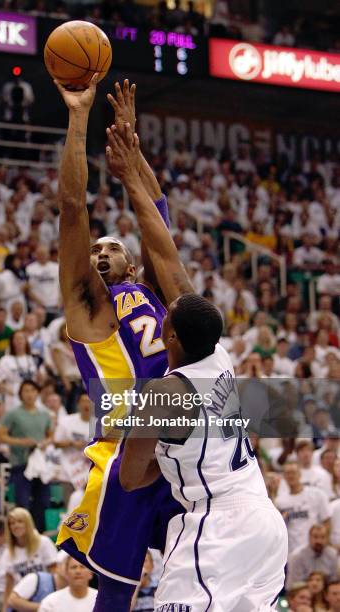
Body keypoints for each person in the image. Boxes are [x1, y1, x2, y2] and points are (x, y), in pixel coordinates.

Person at [105, 124, 287, 610]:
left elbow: (129, 477)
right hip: (266, 524)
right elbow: (164, 252)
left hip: (217, 526)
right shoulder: (220, 356)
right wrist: (136, 173)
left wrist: (155, 459)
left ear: (170, 335)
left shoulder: (163, 395)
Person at [54, 77, 183, 611]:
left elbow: (155, 207)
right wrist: (79, 117)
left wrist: (131, 145)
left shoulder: (152, 290)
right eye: (96, 250)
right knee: (117, 584)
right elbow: (71, 209)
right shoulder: (88, 310)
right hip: (126, 450)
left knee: (198, 569)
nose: (101, 253)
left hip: (182, 444)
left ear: (131, 264)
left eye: (114, 248)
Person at [0, 380, 53, 531]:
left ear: (37, 393)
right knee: (23, 502)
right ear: (21, 394)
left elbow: (50, 435)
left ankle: (38, 534)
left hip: (39, 465)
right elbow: (0, 436)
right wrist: (21, 442)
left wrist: (45, 443)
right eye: (26, 391)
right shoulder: (13, 414)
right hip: (21, 463)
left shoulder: (45, 414)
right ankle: (22, 534)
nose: (29, 394)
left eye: (32, 390)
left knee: (42, 501)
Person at [0, 507, 58, 609]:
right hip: (21, 600)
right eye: (12, 523)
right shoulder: (8, 552)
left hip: (45, 596)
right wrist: (5, 609)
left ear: (28, 523)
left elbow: (55, 573)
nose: (16, 526)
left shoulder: (43, 542)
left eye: (20, 521)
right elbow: (9, 584)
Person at [276, 462, 331, 556]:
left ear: (300, 474)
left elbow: (326, 521)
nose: (291, 476)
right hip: (291, 551)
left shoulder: (316, 494)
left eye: (293, 472)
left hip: (314, 548)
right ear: (284, 476)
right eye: (287, 473)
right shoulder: (280, 501)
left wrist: (323, 543)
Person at [0, 330, 38, 411]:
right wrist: (14, 392)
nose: (19, 341)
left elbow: (35, 379)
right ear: (12, 342)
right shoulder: (5, 360)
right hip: (13, 396)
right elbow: (0, 383)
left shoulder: (31, 359)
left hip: (31, 395)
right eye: (17, 339)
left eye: (22, 338)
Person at [287, 524, 338, 589]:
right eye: (315, 537)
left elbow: (333, 582)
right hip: (302, 592)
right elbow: (294, 585)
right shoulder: (297, 556)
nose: (319, 541)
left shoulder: (332, 554)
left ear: (327, 538)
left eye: (322, 537)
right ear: (309, 537)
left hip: (324, 594)